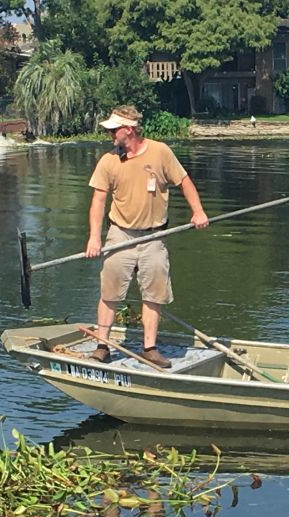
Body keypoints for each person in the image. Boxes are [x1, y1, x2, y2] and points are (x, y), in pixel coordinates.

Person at [85, 105, 209, 367]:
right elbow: (98, 201)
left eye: (114, 130)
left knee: (154, 294)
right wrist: (94, 238)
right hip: (120, 234)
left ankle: (149, 348)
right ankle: (102, 345)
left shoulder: (160, 152)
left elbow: (184, 181)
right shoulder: (108, 161)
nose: (110, 134)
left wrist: (198, 212)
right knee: (110, 291)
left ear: (128, 130)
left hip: (153, 236)